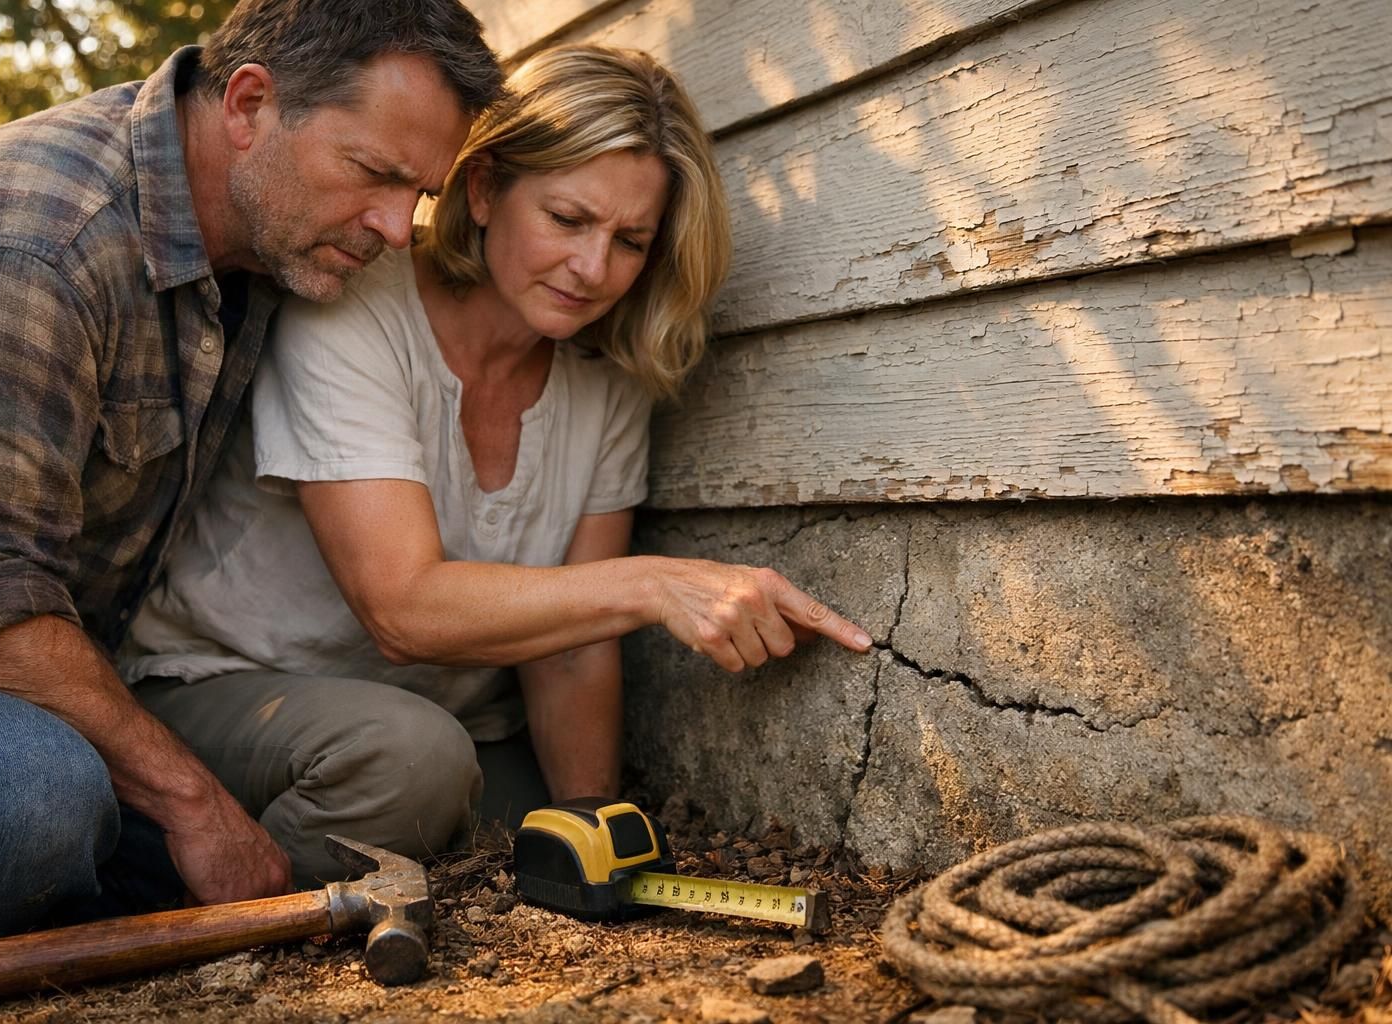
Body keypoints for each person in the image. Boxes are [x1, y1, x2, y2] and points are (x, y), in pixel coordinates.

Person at [120, 44, 876, 888]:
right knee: (413, 767)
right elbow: (401, 609)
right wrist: (656, 584)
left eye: (630, 241)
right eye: (566, 219)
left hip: (449, 723)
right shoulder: (354, 307)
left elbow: (570, 648)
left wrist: (595, 838)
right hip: (229, 689)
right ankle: (161, 882)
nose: (594, 270)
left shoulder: (605, 380)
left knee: (533, 830)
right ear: (482, 190)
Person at [0, 0, 503, 985]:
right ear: (249, 103)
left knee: (391, 768)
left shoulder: (254, 236)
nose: (396, 228)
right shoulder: (35, 241)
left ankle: (58, 919)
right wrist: (193, 802)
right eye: (375, 174)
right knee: (32, 798)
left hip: (50, 651)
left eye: (419, 191)